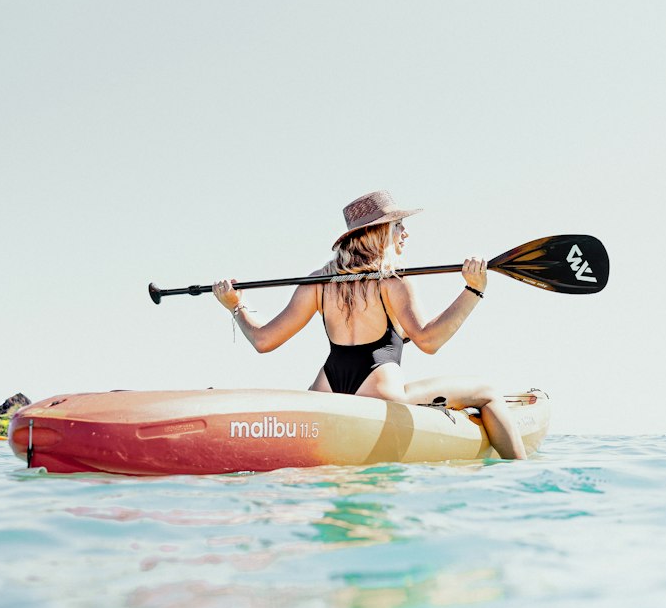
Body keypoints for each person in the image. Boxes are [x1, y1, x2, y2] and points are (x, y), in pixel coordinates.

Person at [212, 190, 527, 459]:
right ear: (380, 232)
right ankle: (521, 476)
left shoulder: (319, 282)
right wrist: (473, 289)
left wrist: (236, 305)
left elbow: (264, 340)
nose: (405, 233)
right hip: (379, 393)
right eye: (399, 225)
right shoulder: (393, 281)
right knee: (487, 393)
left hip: (326, 391)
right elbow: (429, 341)